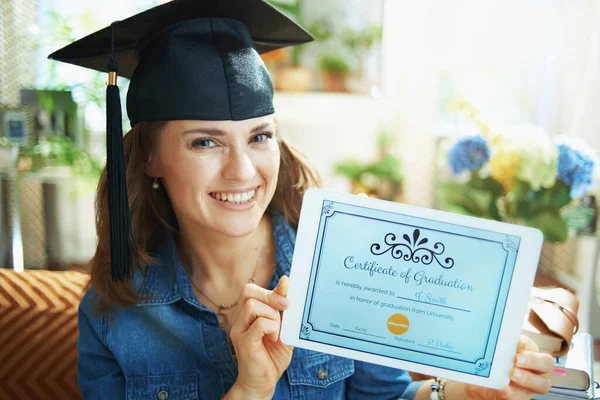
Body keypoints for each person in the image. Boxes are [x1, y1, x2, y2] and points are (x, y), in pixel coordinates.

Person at [50, 0, 554, 399]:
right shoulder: (114, 312)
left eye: (259, 136)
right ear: (147, 159)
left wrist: (460, 393)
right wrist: (249, 390)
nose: (242, 171)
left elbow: (384, 398)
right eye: (205, 142)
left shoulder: (348, 265)